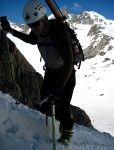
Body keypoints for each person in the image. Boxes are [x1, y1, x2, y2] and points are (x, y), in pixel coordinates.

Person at [1, 0, 76, 145]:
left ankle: (67, 131)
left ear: (44, 20)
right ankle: (61, 118)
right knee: (45, 103)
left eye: (36, 24)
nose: (33, 29)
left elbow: (69, 62)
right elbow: (30, 39)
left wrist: (59, 87)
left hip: (65, 74)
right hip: (50, 72)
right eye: (30, 25)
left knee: (63, 104)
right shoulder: (38, 32)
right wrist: (10, 30)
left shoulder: (59, 32)